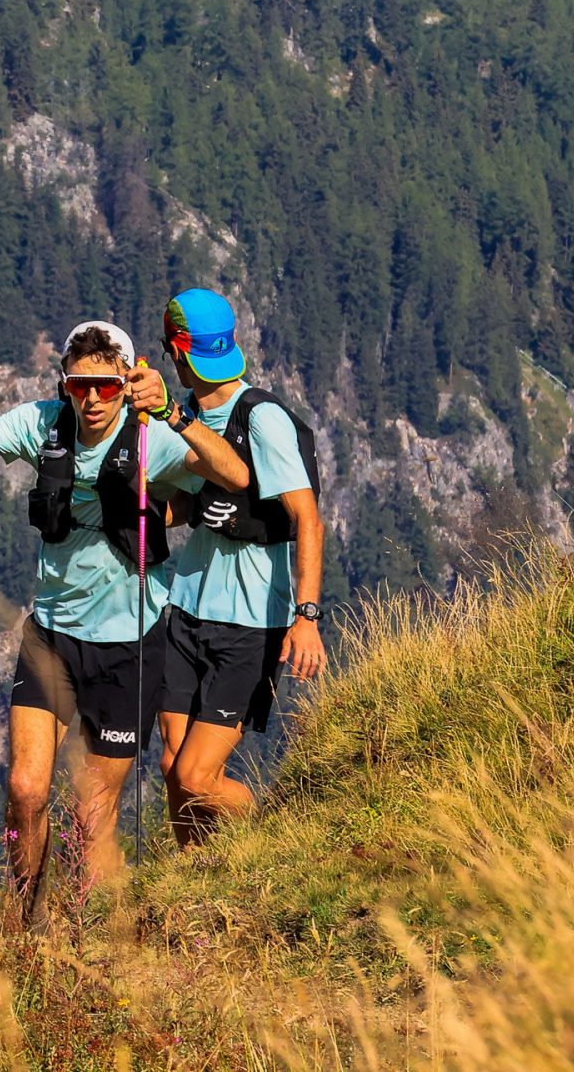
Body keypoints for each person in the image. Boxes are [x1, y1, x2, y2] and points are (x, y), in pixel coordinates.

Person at [0, 322, 249, 912]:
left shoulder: (150, 433)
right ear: (64, 385)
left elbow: (235, 476)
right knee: (23, 789)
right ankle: (24, 919)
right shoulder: (41, 422)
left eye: (105, 386)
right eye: (78, 386)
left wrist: (174, 412)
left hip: (130, 645)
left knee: (90, 814)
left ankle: (84, 932)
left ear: (124, 384)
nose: (92, 399)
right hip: (50, 635)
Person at [151, 288, 328, 842]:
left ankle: (276, 839)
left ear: (178, 353)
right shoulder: (196, 417)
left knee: (197, 776)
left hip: (251, 621)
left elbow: (307, 518)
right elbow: (194, 505)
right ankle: (195, 883)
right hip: (186, 607)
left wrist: (307, 617)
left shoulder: (262, 417)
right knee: (172, 771)